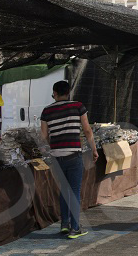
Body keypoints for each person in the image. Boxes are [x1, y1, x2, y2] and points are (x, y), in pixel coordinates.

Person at [40, 80, 98, 239]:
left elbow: (44, 136)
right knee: (74, 191)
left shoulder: (46, 111)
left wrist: (46, 153)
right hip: (73, 155)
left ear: (55, 93)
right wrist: (93, 148)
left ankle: (64, 224)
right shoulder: (78, 106)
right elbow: (87, 130)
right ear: (68, 92)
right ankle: (75, 228)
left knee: (64, 190)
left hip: (56, 156)